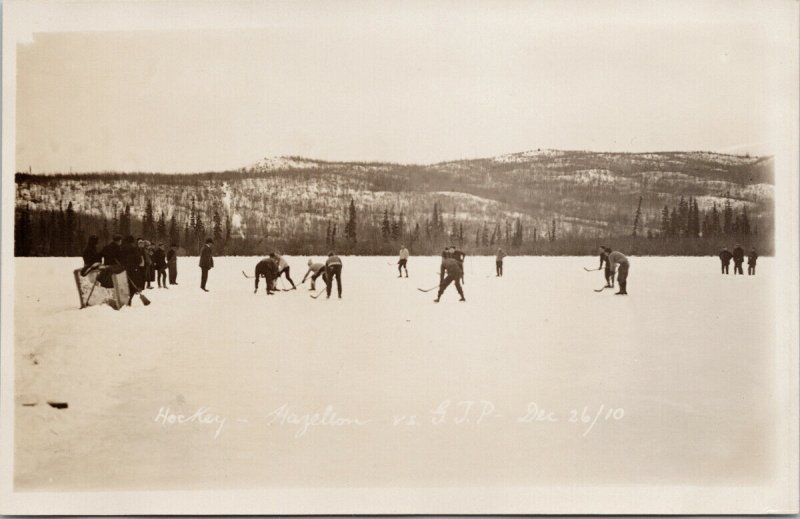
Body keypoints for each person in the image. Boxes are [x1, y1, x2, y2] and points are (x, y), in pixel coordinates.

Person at [121, 236, 145, 304]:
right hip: (133, 269)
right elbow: (139, 260)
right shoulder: (134, 249)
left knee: (125, 284)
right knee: (133, 284)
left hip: (123, 269)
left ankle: (125, 299)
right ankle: (129, 300)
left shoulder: (122, 248)